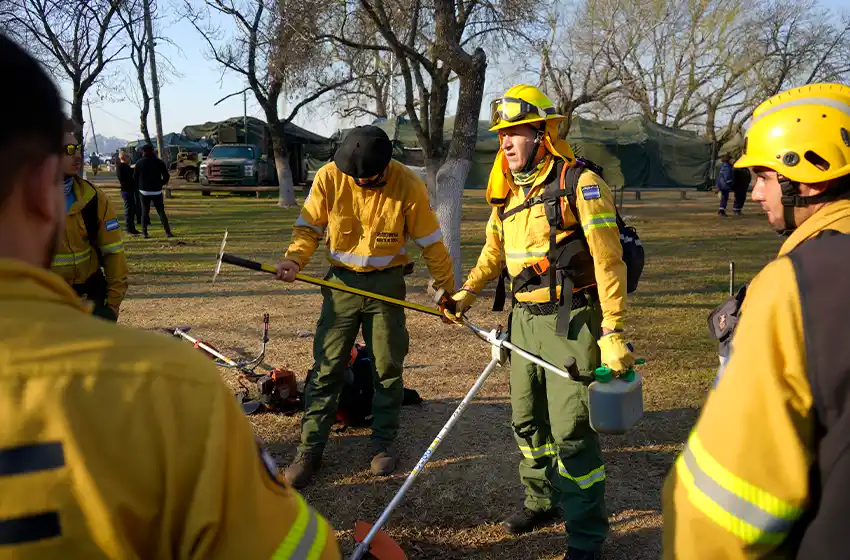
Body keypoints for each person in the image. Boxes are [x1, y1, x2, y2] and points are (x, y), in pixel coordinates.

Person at [0, 34, 341, 559]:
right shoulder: (163, 390)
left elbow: (114, 256)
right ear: (40, 190)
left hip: (84, 303)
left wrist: (108, 305)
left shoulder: (96, 203)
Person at [444, 85, 633, 560]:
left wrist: (613, 331)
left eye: (516, 133)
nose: (505, 143)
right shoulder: (506, 190)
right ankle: (541, 501)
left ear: (543, 134)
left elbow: (610, 262)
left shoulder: (581, 184)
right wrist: (466, 294)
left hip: (573, 324)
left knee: (571, 431)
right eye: (502, 135)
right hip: (524, 320)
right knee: (527, 422)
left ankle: (586, 536)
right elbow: (493, 252)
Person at [662, 83, 850, 559]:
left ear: (809, 179)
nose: (756, 191)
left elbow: (721, 513)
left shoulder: (796, 286)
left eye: (764, 176)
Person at [276, 125, 455, 488]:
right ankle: (310, 449)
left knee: (387, 367)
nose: (358, 181)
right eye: (352, 175)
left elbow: (432, 243)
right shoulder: (329, 177)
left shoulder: (407, 185)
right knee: (327, 367)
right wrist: (295, 260)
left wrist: (448, 290)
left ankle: (382, 441)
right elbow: (309, 227)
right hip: (340, 284)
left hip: (387, 286)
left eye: (367, 177)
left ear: (385, 167)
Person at [52, 118, 129, 322]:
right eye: (68, 149)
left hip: (91, 300)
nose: (77, 154)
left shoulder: (93, 198)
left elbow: (114, 254)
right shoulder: (19, 205)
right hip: (45, 308)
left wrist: (112, 306)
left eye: (77, 148)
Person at [133, 143, 174, 239]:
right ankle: (168, 232)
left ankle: (145, 233)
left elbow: (135, 177)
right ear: (153, 151)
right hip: (157, 190)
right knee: (161, 211)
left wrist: (139, 185)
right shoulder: (159, 162)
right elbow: (166, 176)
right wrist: (161, 183)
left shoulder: (139, 163)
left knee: (144, 211)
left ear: (143, 152)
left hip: (144, 191)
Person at [116, 150, 141, 235]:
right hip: (127, 191)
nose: (130, 159)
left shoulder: (122, 166)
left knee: (131, 210)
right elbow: (131, 177)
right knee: (129, 210)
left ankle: (132, 228)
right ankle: (129, 229)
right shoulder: (124, 168)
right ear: (125, 158)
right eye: (129, 157)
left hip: (127, 190)